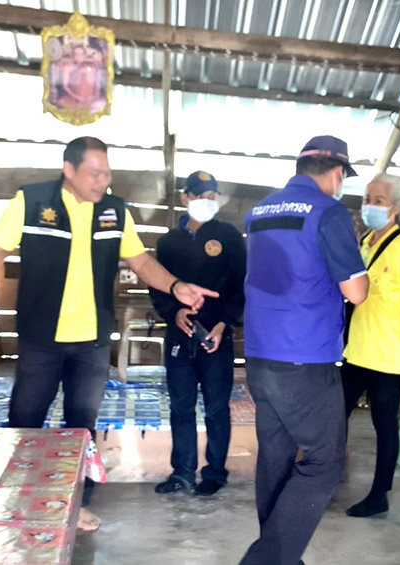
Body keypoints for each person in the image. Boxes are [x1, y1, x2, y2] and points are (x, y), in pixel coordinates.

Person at [0, 136, 217, 531]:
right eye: (94, 173)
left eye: (107, 173)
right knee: (25, 423)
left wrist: (176, 286)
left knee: (81, 429)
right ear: (69, 169)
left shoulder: (114, 211)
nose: (103, 181)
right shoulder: (33, 202)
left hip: (92, 342)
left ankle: (74, 504)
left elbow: (139, 261)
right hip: (41, 340)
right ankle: (23, 498)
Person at [239, 135, 369, 565]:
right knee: (325, 462)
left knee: (275, 460)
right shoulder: (328, 212)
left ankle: (280, 557)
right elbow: (356, 291)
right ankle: (265, 559)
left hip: (260, 354)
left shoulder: (260, 211)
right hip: (305, 358)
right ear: (337, 173)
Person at [340, 174, 400, 518]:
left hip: (389, 355)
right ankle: (327, 476)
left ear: (395, 208)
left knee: (383, 424)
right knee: (336, 416)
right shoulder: (364, 243)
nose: (370, 206)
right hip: (356, 351)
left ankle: (379, 494)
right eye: (367, 199)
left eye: (378, 201)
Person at [150, 171, 247, 497]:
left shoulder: (228, 236)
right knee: (181, 407)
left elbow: (241, 286)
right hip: (179, 336)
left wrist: (224, 324)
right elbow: (158, 288)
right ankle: (182, 472)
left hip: (216, 337)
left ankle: (215, 473)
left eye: (212, 196)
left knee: (217, 409)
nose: (207, 202)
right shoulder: (168, 243)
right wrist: (173, 313)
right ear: (185, 198)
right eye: (200, 196)